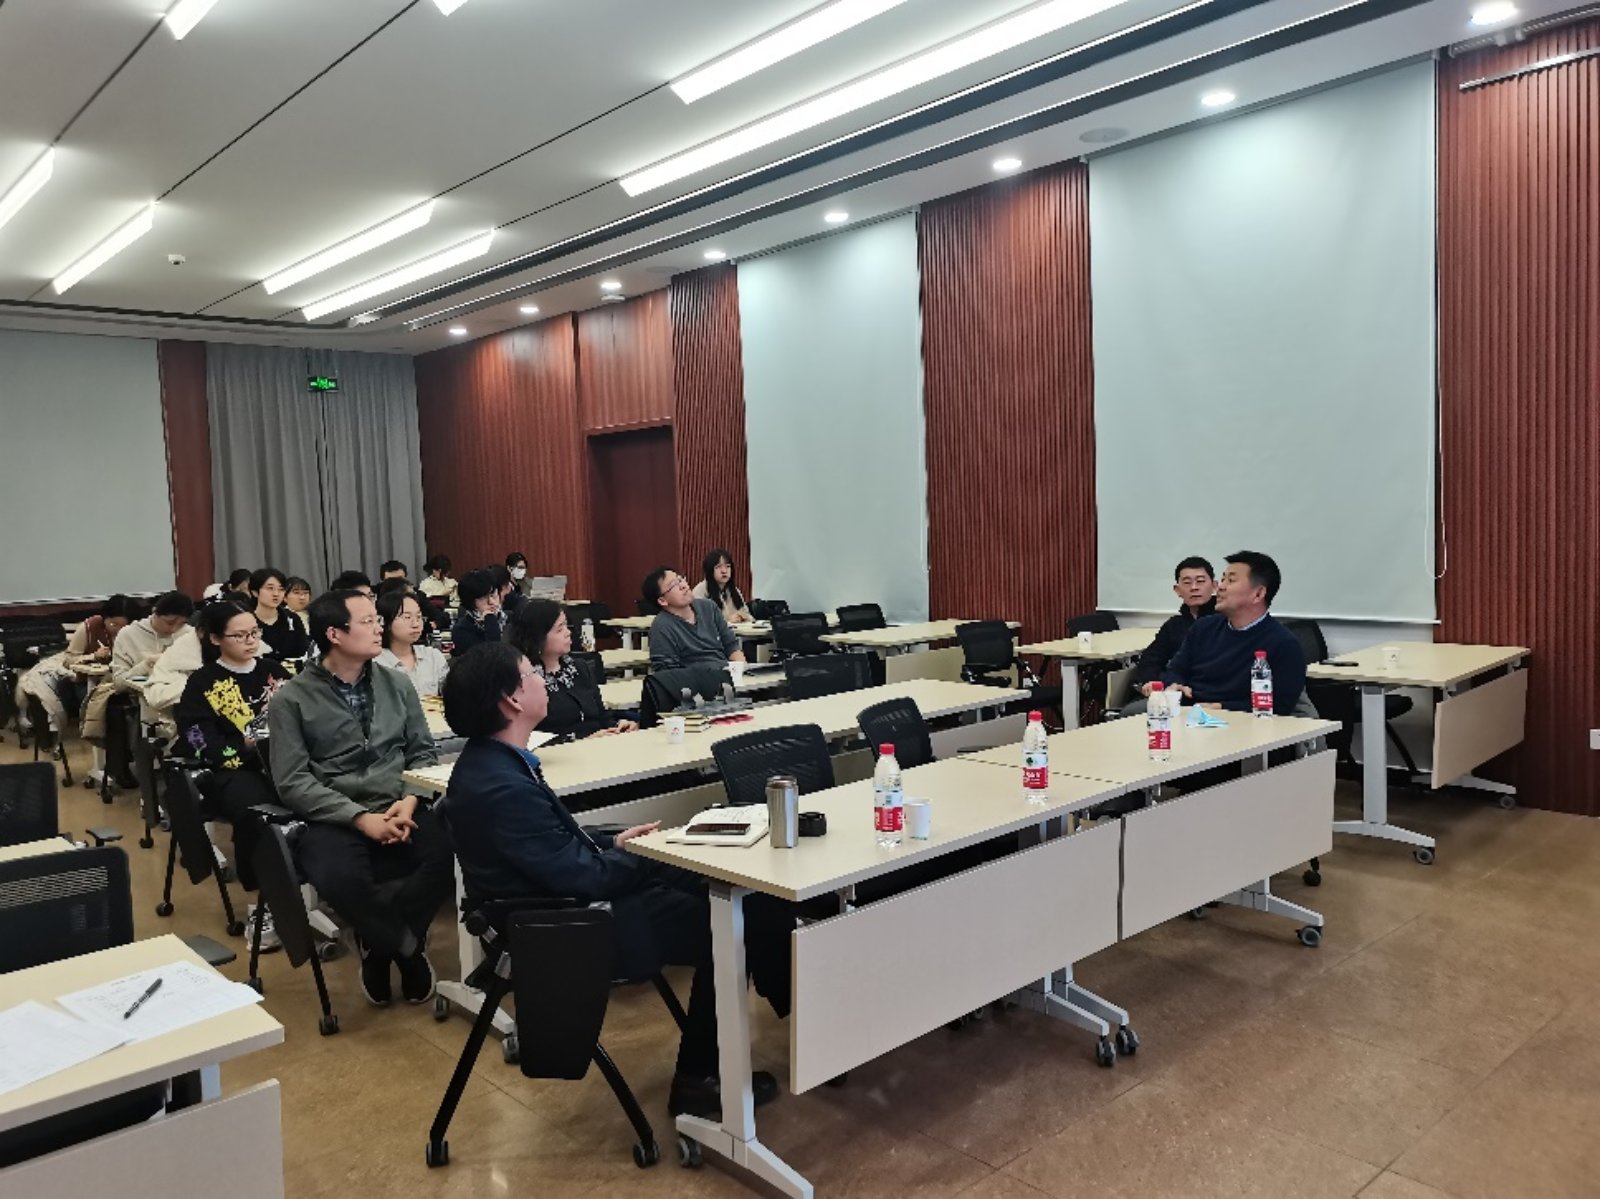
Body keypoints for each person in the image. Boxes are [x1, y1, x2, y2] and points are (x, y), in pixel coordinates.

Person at [438, 643, 791, 1118]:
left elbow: (558, 846)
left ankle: (797, 1008)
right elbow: (587, 879)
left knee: (742, 891)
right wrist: (642, 853)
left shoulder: (495, 761)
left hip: (564, 897)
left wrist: (616, 843)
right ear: (512, 700)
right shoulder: (500, 785)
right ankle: (699, 1080)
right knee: (730, 924)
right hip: (567, 923)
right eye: (531, 673)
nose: (543, 679)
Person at [268, 589, 448, 1007]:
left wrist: (411, 798)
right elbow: (292, 781)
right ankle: (405, 947)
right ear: (334, 634)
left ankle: (377, 941)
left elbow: (422, 752)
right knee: (337, 875)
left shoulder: (395, 683)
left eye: (377, 620)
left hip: (398, 802)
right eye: (367, 622)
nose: (378, 628)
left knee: (449, 852)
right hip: (333, 813)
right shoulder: (292, 698)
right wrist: (358, 818)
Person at [174, 602, 292, 950]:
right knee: (257, 812)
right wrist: (248, 742)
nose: (251, 641)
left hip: (283, 761)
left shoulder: (274, 671)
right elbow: (198, 742)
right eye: (240, 636)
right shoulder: (203, 682)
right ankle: (260, 902)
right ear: (215, 639)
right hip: (232, 769)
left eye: (254, 633)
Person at [1162, 551, 1306, 715]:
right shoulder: (1203, 627)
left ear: (1258, 594)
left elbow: (1280, 705)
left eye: (1231, 580)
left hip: (1240, 722)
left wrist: (1223, 708)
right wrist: (1174, 684)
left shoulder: (1283, 643)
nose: (1221, 587)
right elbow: (1176, 669)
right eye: (1223, 579)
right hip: (1188, 713)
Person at [509, 599, 637, 740]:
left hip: (598, 746)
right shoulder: (525, 680)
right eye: (559, 629)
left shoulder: (579, 667)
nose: (568, 633)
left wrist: (619, 726)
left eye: (566, 625)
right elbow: (531, 738)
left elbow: (602, 716)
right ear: (538, 637)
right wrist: (584, 739)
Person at [1134, 557, 1218, 697]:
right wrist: (1152, 681)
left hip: (1209, 694)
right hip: (1172, 691)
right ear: (1177, 590)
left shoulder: (1225, 620)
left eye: (1200, 581)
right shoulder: (1173, 625)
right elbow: (1151, 659)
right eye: (1187, 582)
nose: (1194, 587)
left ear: (1215, 586)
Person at [644, 567, 745, 670]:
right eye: (673, 585)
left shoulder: (709, 607)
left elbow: (731, 645)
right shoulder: (662, 627)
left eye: (680, 579)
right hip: (692, 678)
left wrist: (740, 669)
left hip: (725, 673)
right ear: (662, 600)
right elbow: (667, 671)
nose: (683, 585)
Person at [376, 589, 450, 702]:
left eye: (419, 617)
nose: (416, 624)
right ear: (386, 622)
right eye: (407, 617)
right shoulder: (376, 663)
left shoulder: (432, 656)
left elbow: (451, 695)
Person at [112, 591, 194, 692]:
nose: (174, 629)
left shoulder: (189, 634)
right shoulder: (128, 635)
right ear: (154, 612)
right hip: (139, 697)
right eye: (169, 623)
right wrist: (146, 665)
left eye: (181, 624)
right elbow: (118, 684)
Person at [250, 567, 310, 663]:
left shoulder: (292, 618)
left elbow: (304, 651)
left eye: (281, 589)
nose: (276, 594)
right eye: (270, 588)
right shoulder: (246, 621)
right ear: (255, 592)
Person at [691, 549, 753, 625]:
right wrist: (728, 622)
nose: (724, 571)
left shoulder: (734, 590)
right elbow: (702, 622)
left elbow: (747, 614)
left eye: (728, 566)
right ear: (710, 570)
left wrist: (745, 617)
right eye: (718, 567)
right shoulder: (700, 591)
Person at [450, 568, 504, 655]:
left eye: (493, 594)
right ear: (470, 602)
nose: (491, 602)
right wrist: (490, 621)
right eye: (483, 598)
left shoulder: (509, 620)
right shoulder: (462, 630)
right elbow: (493, 655)